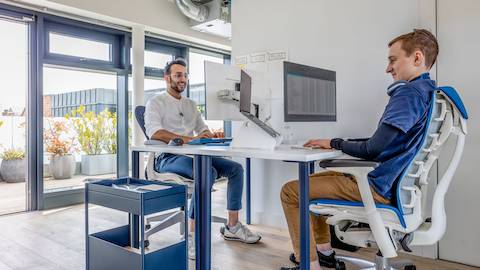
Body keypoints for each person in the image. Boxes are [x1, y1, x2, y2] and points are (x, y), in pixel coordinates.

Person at [279, 29, 439, 270]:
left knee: (292, 192)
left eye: (393, 59)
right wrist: (335, 141)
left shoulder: (408, 94)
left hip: (376, 186)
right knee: (310, 183)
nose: (388, 68)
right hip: (392, 184)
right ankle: (324, 252)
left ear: (417, 58)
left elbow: (373, 148)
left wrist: (335, 143)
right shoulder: (427, 92)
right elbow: (384, 141)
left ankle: (308, 264)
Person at [144, 58, 261, 260]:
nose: (183, 79)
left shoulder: (190, 104)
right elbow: (155, 133)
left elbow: (202, 128)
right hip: (168, 157)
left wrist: (207, 134)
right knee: (207, 172)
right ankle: (192, 235)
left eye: (185, 75)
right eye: (178, 75)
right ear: (167, 78)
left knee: (236, 169)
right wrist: (190, 139)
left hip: (195, 154)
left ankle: (232, 226)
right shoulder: (156, 102)